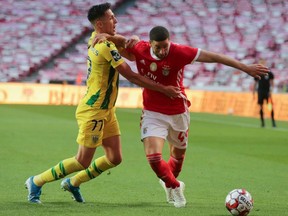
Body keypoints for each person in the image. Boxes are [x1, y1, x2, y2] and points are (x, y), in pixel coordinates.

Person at [93, 26, 269, 208]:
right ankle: (175, 187)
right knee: (153, 157)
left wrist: (245, 67)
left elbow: (214, 57)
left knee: (177, 160)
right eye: (158, 47)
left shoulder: (179, 52)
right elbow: (124, 41)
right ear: (150, 44)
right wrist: (107, 35)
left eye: (165, 47)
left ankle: (170, 181)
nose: (162, 51)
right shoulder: (140, 48)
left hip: (178, 112)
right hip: (153, 112)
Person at [24, 3, 180, 204]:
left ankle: (73, 182)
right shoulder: (104, 46)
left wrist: (133, 40)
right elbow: (130, 75)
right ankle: (36, 181)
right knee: (82, 160)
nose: (116, 21)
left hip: (107, 110)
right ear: (100, 23)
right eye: (112, 18)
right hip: (94, 110)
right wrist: (163, 89)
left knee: (114, 158)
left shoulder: (101, 39)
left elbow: (130, 48)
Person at [253, 59, 276, 127]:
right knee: (261, 107)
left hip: (267, 92)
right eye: (261, 63)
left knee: (271, 107)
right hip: (260, 92)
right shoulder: (258, 73)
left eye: (263, 63)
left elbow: (272, 83)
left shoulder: (269, 73)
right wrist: (253, 92)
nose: (262, 64)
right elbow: (255, 83)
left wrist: (271, 91)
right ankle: (262, 123)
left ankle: (273, 122)